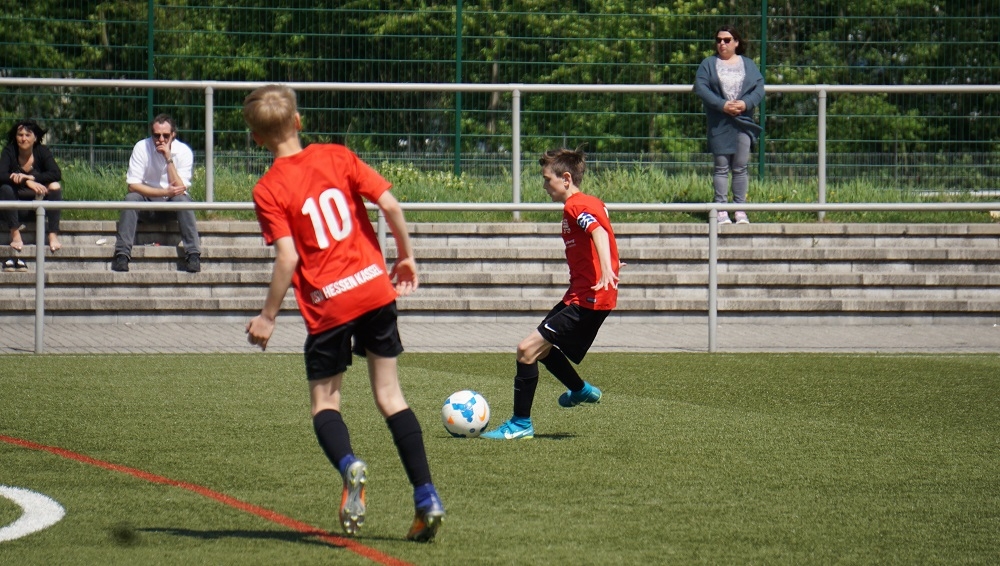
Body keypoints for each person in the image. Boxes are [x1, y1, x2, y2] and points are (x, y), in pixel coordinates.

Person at [241, 84, 444, 542]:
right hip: (374, 290)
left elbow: (288, 257)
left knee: (325, 404)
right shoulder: (336, 155)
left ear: (256, 138)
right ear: (299, 121)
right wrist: (406, 257)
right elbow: (389, 204)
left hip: (328, 305)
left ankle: (350, 464)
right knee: (390, 396)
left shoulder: (268, 188)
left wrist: (268, 317)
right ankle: (426, 496)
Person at [482, 147, 620, 440]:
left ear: (566, 178)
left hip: (588, 299)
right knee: (542, 349)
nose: (544, 185)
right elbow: (603, 229)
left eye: (547, 179)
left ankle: (520, 424)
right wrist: (610, 263)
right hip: (581, 296)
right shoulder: (591, 202)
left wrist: (607, 268)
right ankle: (580, 390)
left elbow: (598, 231)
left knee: (526, 350)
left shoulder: (575, 206)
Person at [693, 25, 765, 225]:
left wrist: (745, 103)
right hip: (719, 123)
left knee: (740, 166)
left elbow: (759, 88)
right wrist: (722, 105)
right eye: (719, 40)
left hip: (743, 122)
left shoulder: (748, 64)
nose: (722, 44)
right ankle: (721, 210)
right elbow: (701, 87)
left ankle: (740, 210)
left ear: (736, 42)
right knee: (721, 167)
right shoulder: (708, 64)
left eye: (727, 40)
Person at [112, 114, 201, 272]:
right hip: (146, 205)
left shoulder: (183, 151)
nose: (161, 140)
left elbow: (180, 188)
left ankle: (193, 254)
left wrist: (168, 158)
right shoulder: (142, 147)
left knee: (183, 201)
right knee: (131, 199)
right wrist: (164, 191)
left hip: (171, 206)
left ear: (173, 134)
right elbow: (132, 186)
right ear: (151, 134)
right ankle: (122, 255)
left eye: (165, 136)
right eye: (156, 135)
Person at [0, 119, 64, 265]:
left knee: (54, 186)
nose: (23, 138)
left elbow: (56, 173)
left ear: (35, 138)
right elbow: (1, 175)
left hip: (37, 208)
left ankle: (52, 235)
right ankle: (15, 234)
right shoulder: (9, 151)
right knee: (5, 189)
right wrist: (26, 181)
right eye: (20, 135)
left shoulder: (41, 151)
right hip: (14, 210)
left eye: (28, 135)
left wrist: (33, 178)